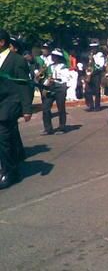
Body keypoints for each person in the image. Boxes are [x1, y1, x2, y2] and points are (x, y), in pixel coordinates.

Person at [0, 30, 33, 190]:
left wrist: (27, 109)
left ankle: (9, 173)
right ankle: (13, 167)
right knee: (9, 140)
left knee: (4, 139)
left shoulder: (17, 60)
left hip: (9, 104)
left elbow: (23, 85)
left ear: (2, 42)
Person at [41, 49, 71, 135]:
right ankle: (48, 128)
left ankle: (62, 127)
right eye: (52, 55)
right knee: (46, 108)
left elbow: (66, 78)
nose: (53, 57)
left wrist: (54, 80)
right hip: (50, 88)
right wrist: (45, 86)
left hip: (60, 88)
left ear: (58, 57)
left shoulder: (63, 67)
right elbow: (48, 78)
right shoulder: (50, 66)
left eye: (55, 56)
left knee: (61, 108)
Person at [84, 42, 105, 112]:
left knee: (96, 90)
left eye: (94, 48)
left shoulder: (100, 55)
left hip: (96, 74)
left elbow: (100, 66)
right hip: (90, 74)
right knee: (88, 90)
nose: (92, 49)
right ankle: (91, 106)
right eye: (91, 48)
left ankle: (97, 106)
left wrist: (93, 60)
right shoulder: (90, 54)